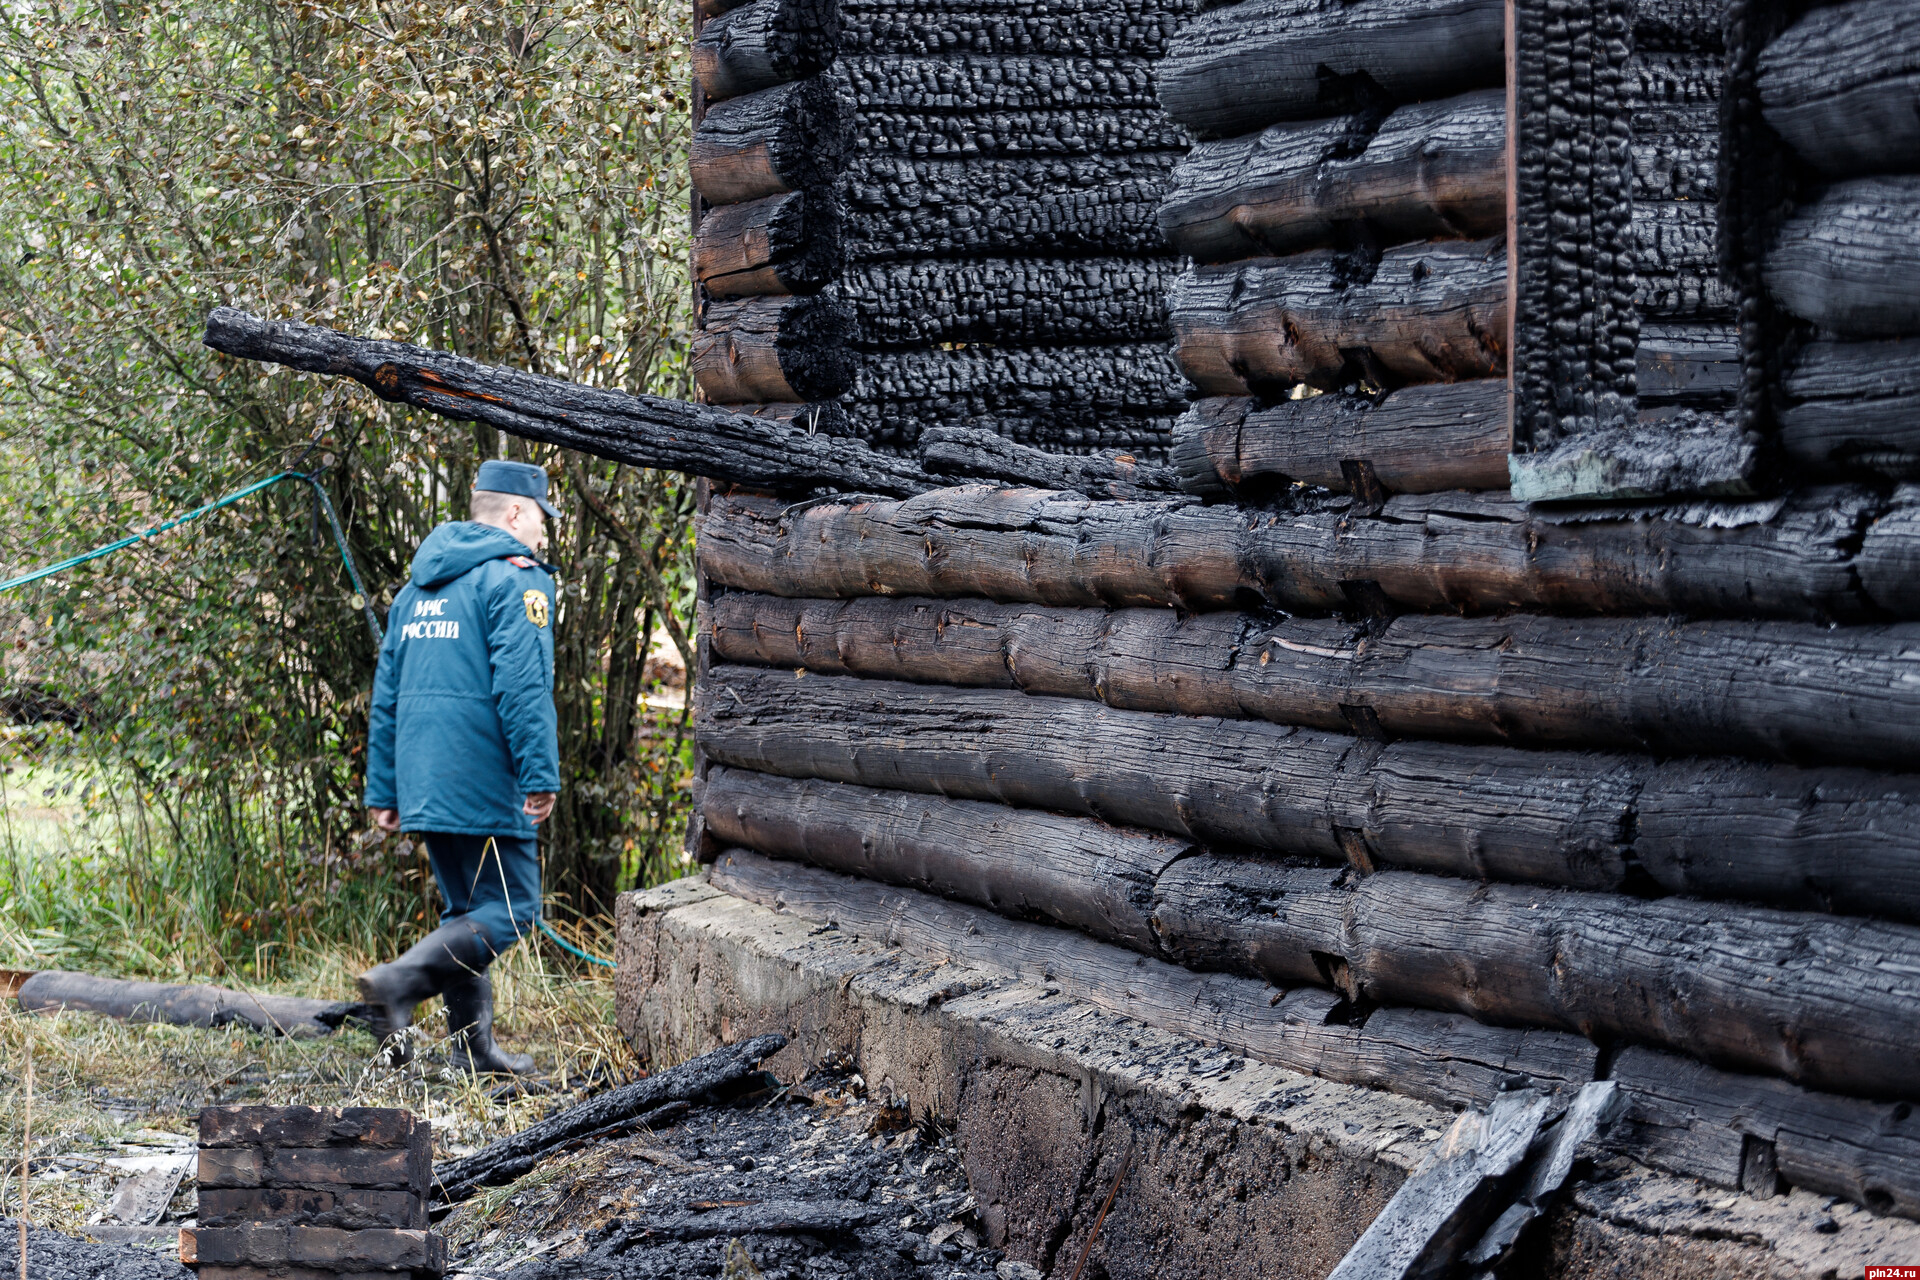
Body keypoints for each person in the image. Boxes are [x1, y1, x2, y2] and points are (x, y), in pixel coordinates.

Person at [359, 459, 562, 1075]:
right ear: (516, 512)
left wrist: (385, 787)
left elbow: (386, 693)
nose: (544, 538)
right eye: (541, 522)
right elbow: (523, 688)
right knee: (515, 908)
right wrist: (540, 774)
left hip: (423, 775)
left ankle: (473, 1053)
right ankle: (398, 983)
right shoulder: (514, 580)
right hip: (482, 774)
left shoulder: (415, 590)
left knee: (464, 911)